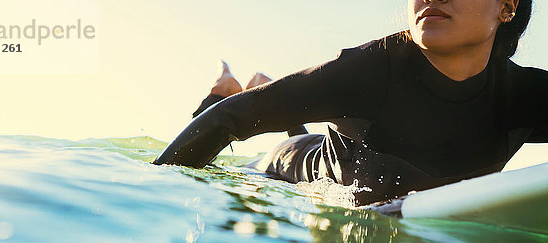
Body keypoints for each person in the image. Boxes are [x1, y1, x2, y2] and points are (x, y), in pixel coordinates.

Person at [154, 0, 547, 206]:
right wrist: (158, 190)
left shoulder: (526, 96)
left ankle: (268, 91)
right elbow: (231, 118)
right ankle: (225, 87)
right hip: (288, 167)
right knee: (251, 135)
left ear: (507, 6)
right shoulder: (370, 69)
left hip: (356, 164)